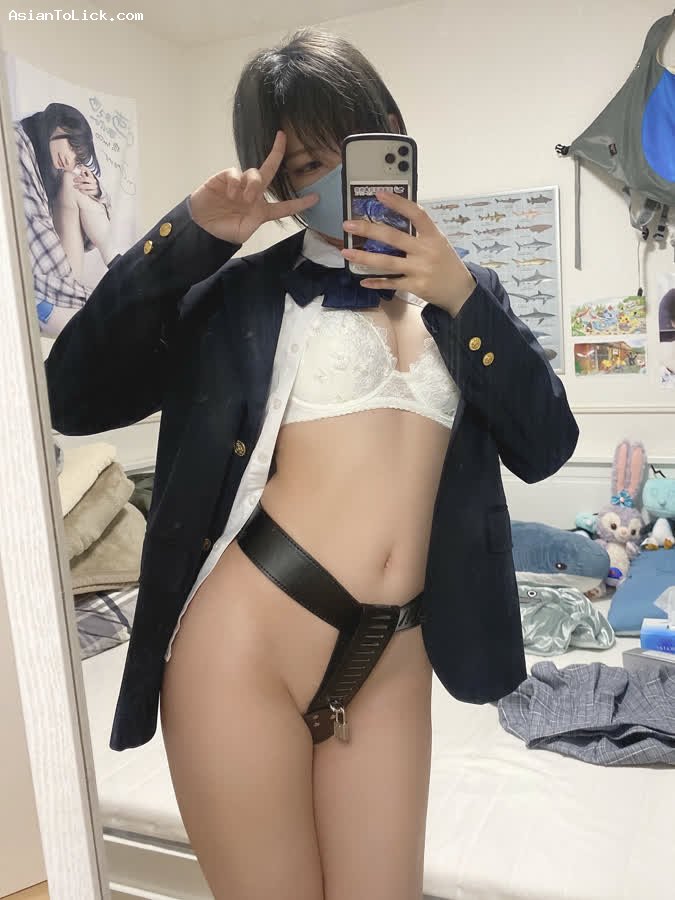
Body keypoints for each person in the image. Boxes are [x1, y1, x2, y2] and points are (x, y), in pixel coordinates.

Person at [44, 27, 578, 900]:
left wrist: (457, 294)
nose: (338, 179)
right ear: (276, 180)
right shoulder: (240, 293)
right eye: (307, 166)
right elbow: (72, 397)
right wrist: (191, 237)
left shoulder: (468, 291)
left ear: (394, 135)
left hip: (394, 652)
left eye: (356, 146)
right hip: (246, 647)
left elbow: (546, 443)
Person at [14, 103, 115, 336]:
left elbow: (96, 226)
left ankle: (114, 264)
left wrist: (97, 190)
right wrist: (91, 298)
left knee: (73, 181)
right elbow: (36, 228)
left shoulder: (50, 163)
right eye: (73, 147)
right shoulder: (17, 142)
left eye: (77, 158)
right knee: (104, 326)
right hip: (34, 277)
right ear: (58, 125)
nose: (70, 161)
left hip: (56, 280)